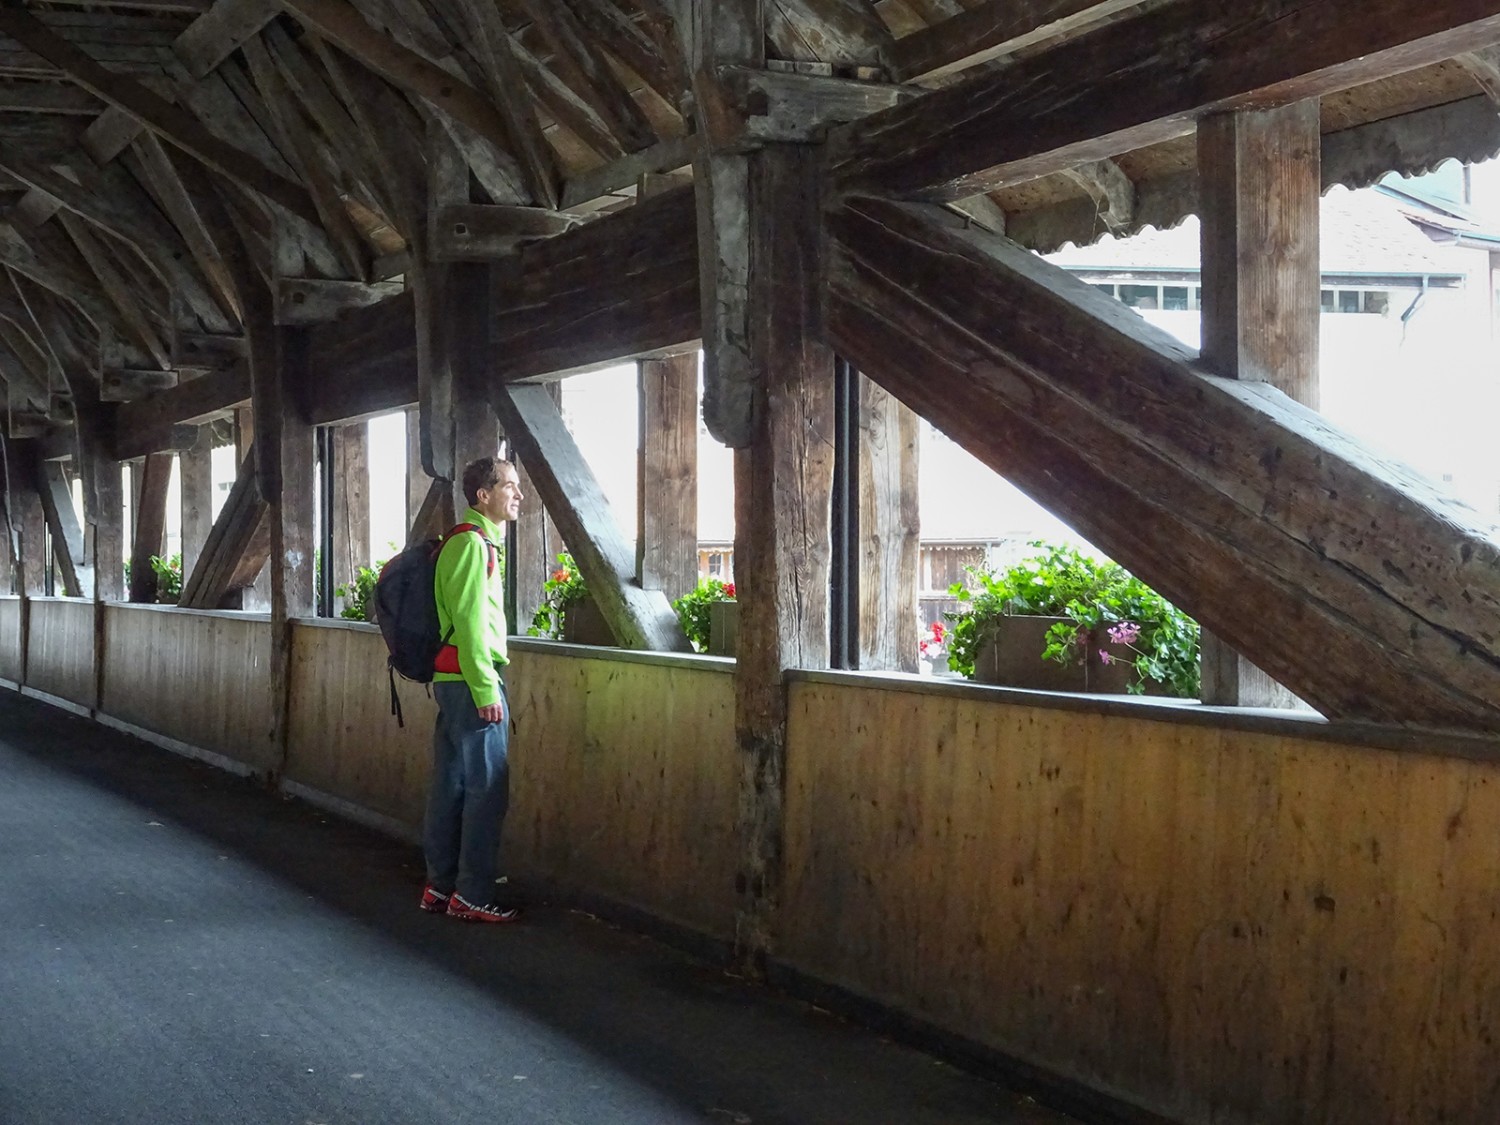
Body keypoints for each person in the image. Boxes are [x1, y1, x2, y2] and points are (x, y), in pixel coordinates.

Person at [418, 457, 524, 923]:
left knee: (452, 786)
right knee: (487, 790)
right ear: (483, 495)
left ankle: (440, 889)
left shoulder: (470, 543)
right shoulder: (471, 545)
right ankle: (473, 894)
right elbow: (470, 624)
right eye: (510, 486)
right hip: (470, 681)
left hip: (454, 680)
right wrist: (486, 690)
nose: (518, 495)